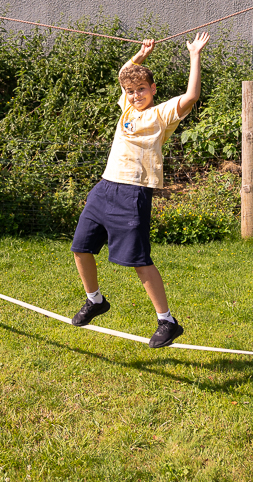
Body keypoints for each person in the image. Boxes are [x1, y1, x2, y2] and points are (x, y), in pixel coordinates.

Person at [69, 31, 210, 348]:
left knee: (138, 260)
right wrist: (141, 54)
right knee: (80, 247)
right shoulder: (127, 109)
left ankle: (167, 322)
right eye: (131, 91)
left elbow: (191, 96)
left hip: (134, 193)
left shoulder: (161, 115)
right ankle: (95, 300)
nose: (135, 95)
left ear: (153, 90)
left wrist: (194, 56)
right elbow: (124, 74)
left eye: (141, 90)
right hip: (105, 188)